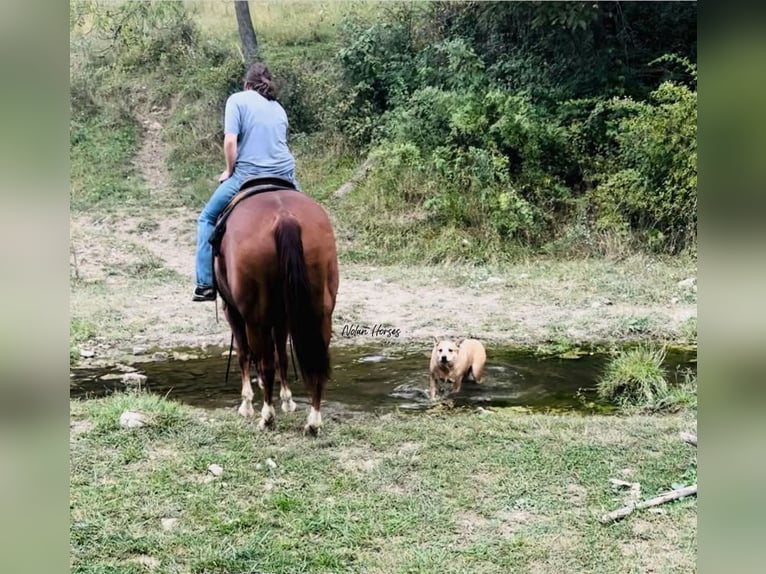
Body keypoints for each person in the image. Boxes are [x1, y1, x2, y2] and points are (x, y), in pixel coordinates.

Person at [193, 62, 298, 301]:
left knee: (207, 218)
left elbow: (231, 143)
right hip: (285, 174)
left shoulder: (237, 100)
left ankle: (205, 283)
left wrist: (229, 170)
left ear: (246, 83)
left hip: (247, 174)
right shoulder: (278, 108)